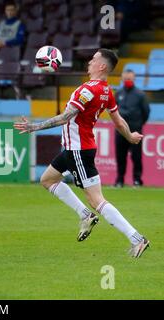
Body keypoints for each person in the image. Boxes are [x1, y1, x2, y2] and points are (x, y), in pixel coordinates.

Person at [14, 49, 150, 258]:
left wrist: (35, 127)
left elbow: (65, 117)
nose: (89, 62)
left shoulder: (87, 90)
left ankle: (137, 238)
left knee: (97, 200)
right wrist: (130, 136)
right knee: (47, 179)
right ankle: (85, 215)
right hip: (75, 149)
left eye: (93, 59)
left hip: (78, 150)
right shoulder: (106, 90)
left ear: (102, 66)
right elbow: (118, 120)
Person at [114, 69, 150, 187]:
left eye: (129, 79)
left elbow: (146, 112)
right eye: (125, 79)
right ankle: (119, 180)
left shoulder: (140, 94)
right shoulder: (118, 93)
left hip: (135, 131)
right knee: (120, 157)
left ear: (134, 79)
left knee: (136, 156)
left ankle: (137, 180)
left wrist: (138, 124)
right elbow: (114, 111)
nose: (127, 81)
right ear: (122, 79)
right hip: (120, 131)